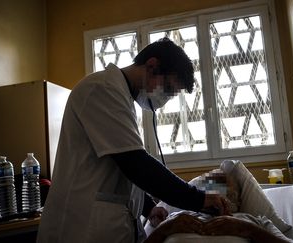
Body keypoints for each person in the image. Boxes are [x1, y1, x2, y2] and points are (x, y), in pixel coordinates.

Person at [36, 38, 231, 243]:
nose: (165, 100)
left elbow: (118, 168)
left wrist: (148, 207)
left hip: (104, 224)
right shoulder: (101, 88)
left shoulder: (122, 98)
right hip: (79, 227)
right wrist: (199, 198)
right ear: (152, 66)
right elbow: (135, 164)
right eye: (167, 89)